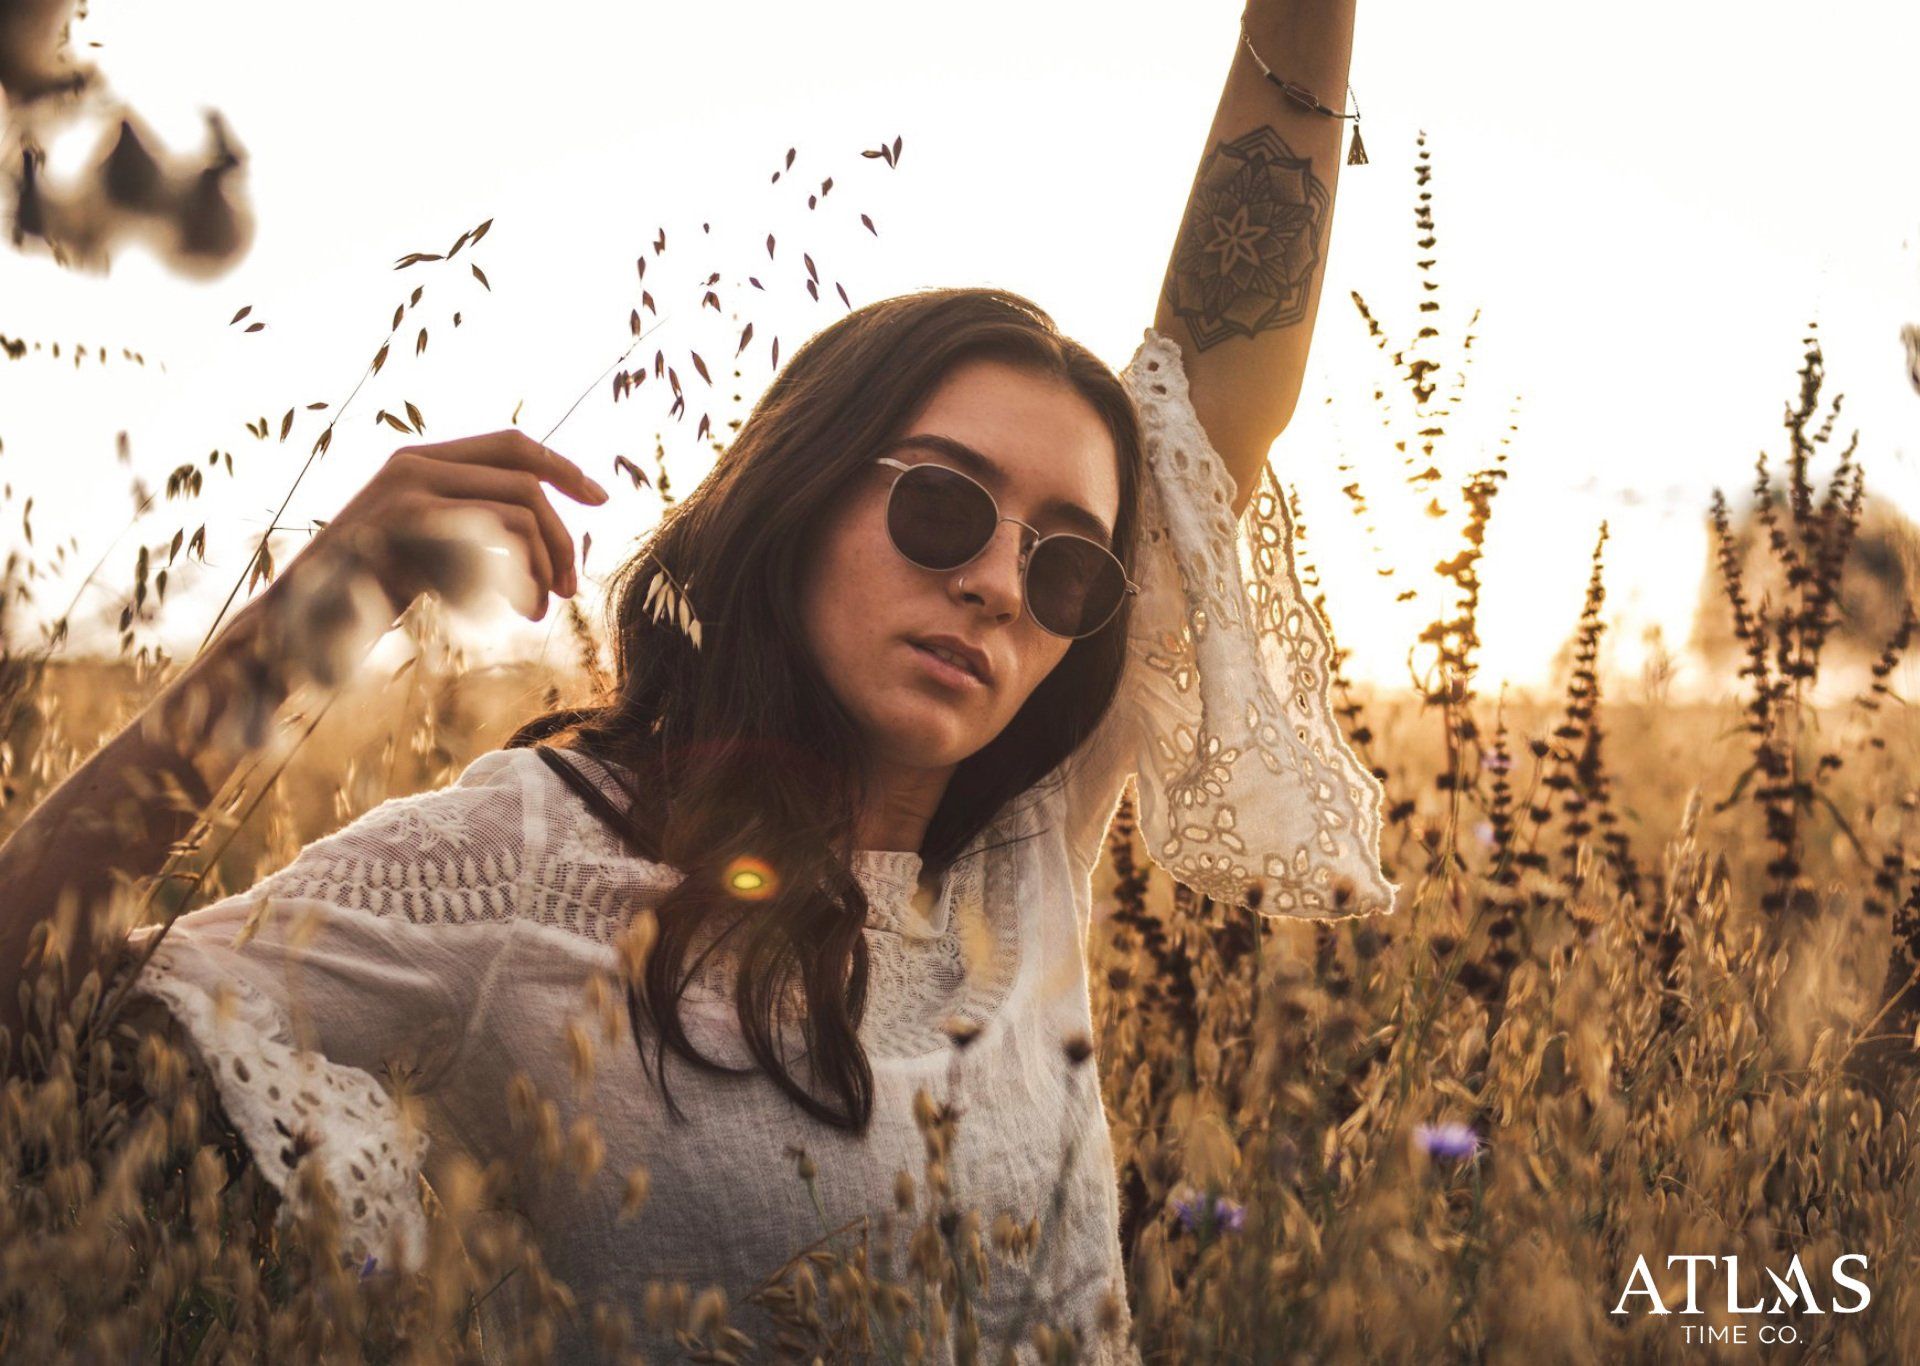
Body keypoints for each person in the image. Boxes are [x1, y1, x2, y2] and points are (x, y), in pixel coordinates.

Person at [0, 2, 1394, 1360]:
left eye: (1068, 567)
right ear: (799, 500)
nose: (996, 585)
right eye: (942, 510)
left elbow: (1225, 357)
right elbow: (33, 1016)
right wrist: (322, 609)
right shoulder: (522, 867)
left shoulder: (1024, 837)